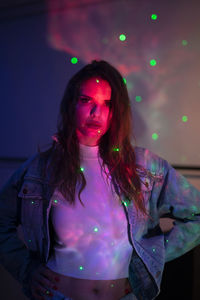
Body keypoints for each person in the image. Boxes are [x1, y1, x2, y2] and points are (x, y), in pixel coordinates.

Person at [0, 60, 200, 300]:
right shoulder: (40, 169)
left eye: (107, 104)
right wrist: (27, 269)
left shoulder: (146, 166)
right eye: (87, 101)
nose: (96, 113)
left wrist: (151, 257)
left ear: (117, 111)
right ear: (71, 104)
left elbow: (196, 215)